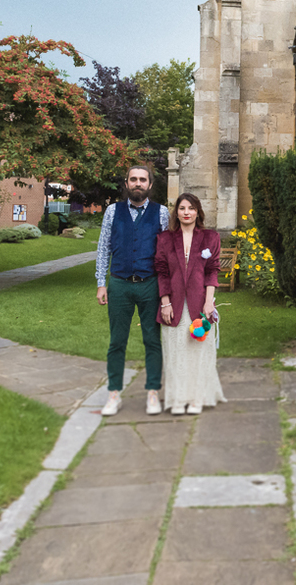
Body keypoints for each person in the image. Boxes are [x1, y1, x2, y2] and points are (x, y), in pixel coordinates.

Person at [95, 166, 169, 416]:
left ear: (150, 184)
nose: (138, 183)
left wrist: (167, 291)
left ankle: (152, 392)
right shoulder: (112, 211)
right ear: (126, 183)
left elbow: (166, 253)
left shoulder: (162, 213)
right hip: (119, 284)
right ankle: (114, 394)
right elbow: (103, 247)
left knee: (152, 340)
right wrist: (101, 283)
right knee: (117, 341)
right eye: (133, 179)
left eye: (142, 180)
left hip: (150, 285)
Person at [154, 192, 225, 415]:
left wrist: (209, 302)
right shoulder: (165, 239)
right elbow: (162, 272)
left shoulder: (210, 238)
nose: (187, 212)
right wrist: (165, 302)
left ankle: (197, 398)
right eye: (182, 208)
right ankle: (177, 399)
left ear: (198, 212)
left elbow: (212, 270)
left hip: (200, 305)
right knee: (175, 353)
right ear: (176, 212)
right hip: (173, 305)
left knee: (198, 353)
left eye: (191, 208)